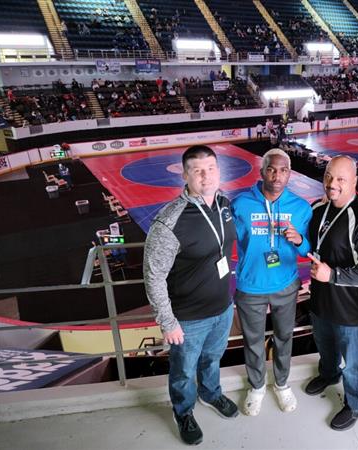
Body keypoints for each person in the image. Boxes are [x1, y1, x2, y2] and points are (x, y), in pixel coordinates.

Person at [143, 145, 239, 446]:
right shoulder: (170, 220)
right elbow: (153, 275)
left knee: (212, 359)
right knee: (183, 371)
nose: (205, 176)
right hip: (187, 319)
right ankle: (183, 411)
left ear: (219, 172)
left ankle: (211, 394)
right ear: (185, 175)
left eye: (210, 168)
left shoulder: (224, 204)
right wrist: (168, 322)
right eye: (197, 170)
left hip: (223, 308)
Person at [231, 148, 312, 416]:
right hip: (250, 286)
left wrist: (300, 241)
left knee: (284, 337)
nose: (277, 175)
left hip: (286, 284)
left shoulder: (300, 208)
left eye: (283, 170)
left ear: (290, 173)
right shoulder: (240, 203)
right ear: (262, 171)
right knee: (253, 340)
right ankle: (256, 387)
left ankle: (281, 383)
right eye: (271, 169)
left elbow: (307, 248)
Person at [305, 156, 358, 431]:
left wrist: (333, 275)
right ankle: (328, 375)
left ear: (354, 182)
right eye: (328, 176)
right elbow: (313, 246)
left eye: (340, 179)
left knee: (356, 364)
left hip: (350, 310)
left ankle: (357, 404)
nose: (332, 184)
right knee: (325, 348)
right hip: (321, 301)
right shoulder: (320, 209)